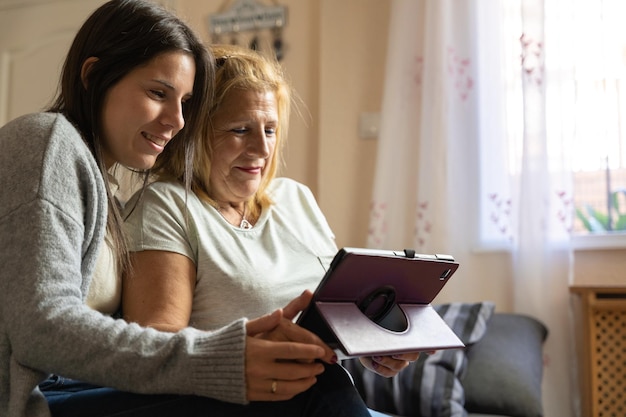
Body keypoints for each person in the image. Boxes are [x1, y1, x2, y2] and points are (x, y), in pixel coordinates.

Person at [0, 2, 337, 417]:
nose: (177, 121)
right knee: (304, 390)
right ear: (93, 76)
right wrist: (218, 357)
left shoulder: (104, 187)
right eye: (158, 93)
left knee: (305, 382)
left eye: (186, 102)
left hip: (84, 388)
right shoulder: (47, 142)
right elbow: (41, 329)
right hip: (44, 400)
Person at [122, 44, 420, 416]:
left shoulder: (295, 198)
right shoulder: (167, 206)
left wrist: (371, 344)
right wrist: (245, 351)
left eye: (270, 129)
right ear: (194, 134)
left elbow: (334, 307)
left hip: (324, 394)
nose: (261, 148)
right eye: (240, 129)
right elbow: (151, 345)